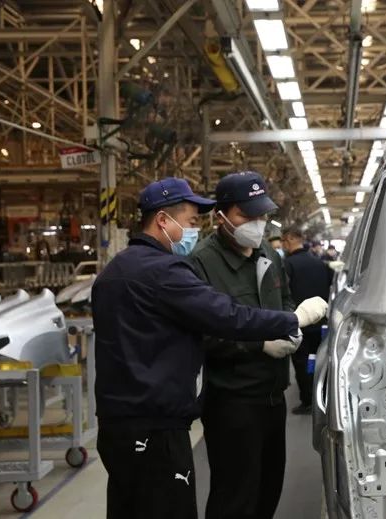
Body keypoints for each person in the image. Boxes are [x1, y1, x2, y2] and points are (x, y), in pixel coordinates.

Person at [91, 177, 328, 519]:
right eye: (189, 222)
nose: (192, 230)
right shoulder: (167, 271)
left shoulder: (116, 270)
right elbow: (226, 316)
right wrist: (292, 320)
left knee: (130, 507)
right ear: (163, 220)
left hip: (120, 420)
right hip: (158, 422)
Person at [189, 171, 294, 519]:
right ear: (221, 216)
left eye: (261, 214)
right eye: (246, 215)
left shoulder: (269, 254)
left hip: (273, 395)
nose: (257, 223)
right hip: (232, 401)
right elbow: (202, 333)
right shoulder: (202, 262)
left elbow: (285, 300)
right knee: (235, 496)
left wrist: (291, 325)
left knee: (268, 488)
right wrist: (258, 344)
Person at [281, 226, 332, 414]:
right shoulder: (320, 263)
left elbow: (284, 294)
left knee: (302, 362)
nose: (283, 245)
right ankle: (322, 396)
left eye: (284, 241)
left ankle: (308, 399)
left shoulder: (287, 265)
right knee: (318, 359)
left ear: (290, 239)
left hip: (299, 322)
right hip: (321, 322)